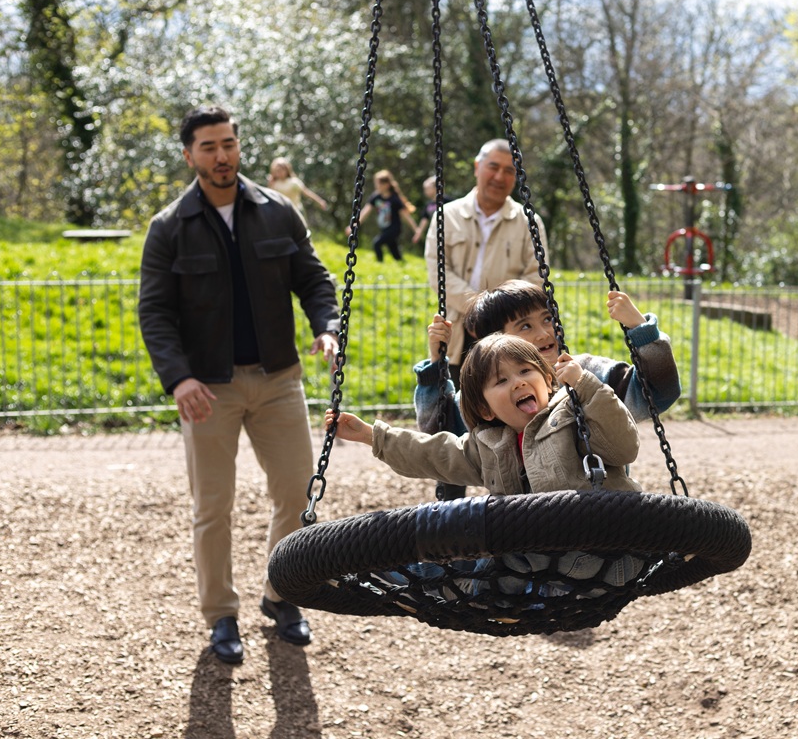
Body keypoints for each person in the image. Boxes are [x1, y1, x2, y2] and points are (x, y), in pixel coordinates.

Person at [139, 106, 340, 665]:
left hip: (279, 379)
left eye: (229, 143)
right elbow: (154, 314)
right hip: (207, 388)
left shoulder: (277, 211)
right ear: (189, 155)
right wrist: (178, 379)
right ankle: (221, 616)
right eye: (209, 147)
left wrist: (326, 327)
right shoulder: (168, 228)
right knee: (213, 506)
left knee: (299, 495)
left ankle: (281, 597)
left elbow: (314, 278)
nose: (222, 155)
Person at [326, 333, 641, 495]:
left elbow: (624, 446)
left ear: (548, 380)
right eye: (501, 381)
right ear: (485, 410)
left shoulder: (573, 413)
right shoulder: (488, 444)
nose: (518, 382)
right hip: (536, 559)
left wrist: (586, 385)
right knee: (463, 568)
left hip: (599, 542)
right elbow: (434, 454)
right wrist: (372, 436)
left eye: (525, 371)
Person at [413, 280, 681, 437]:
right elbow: (438, 431)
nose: (544, 333)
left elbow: (658, 393)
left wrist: (640, 329)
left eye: (547, 319)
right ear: (495, 342)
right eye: (525, 326)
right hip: (521, 518)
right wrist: (436, 362)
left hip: (597, 510)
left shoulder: (588, 373)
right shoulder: (491, 395)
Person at [424, 139, 547, 386]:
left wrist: (495, 313)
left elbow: (536, 277)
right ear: (477, 167)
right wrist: (474, 309)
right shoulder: (446, 216)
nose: (500, 177)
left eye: (509, 170)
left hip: (511, 334)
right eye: (493, 167)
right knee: (456, 409)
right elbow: (438, 272)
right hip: (458, 331)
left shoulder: (528, 222)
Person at [357, 169, 420, 263]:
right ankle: (402, 263)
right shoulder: (376, 197)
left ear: (386, 185)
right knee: (394, 251)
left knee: (377, 243)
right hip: (385, 228)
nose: (376, 186)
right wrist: (355, 225)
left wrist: (416, 230)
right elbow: (365, 211)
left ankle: (380, 264)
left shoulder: (394, 199)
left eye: (379, 183)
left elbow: (406, 216)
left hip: (394, 228)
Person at [412, 175, 438, 246]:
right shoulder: (428, 205)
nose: (425, 191)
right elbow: (424, 220)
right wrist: (418, 234)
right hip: (435, 231)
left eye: (427, 189)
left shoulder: (448, 201)